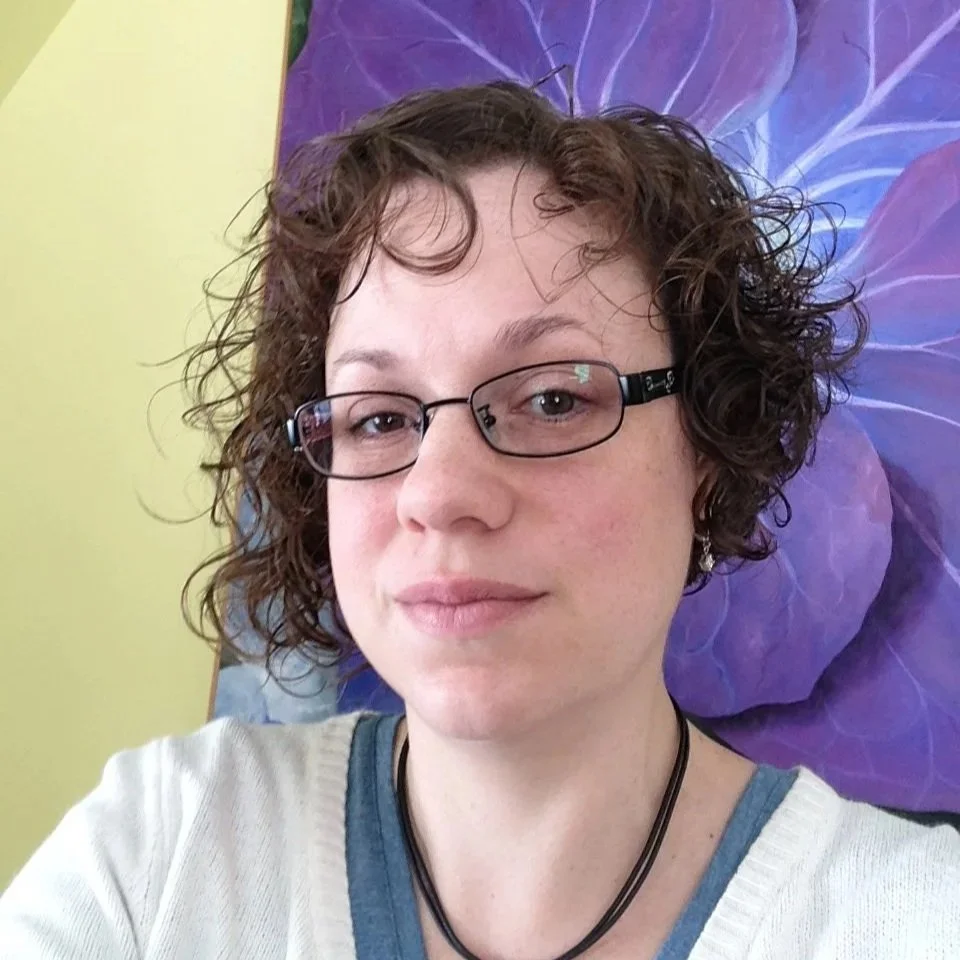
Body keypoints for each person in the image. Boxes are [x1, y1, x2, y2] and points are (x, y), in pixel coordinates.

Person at [1, 81, 958, 960]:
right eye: (379, 418)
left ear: (704, 455)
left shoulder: (915, 919)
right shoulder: (161, 851)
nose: (438, 494)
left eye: (553, 400)